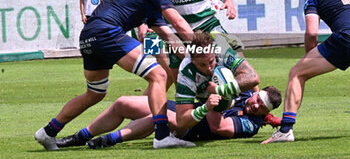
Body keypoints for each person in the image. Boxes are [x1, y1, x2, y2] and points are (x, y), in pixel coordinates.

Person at [34, 0, 195, 151]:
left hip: (88, 37)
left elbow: (169, 36)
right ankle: (161, 136)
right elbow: (178, 22)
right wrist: (201, 48)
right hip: (107, 33)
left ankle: (48, 132)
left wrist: (191, 57)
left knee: (94, 94)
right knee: (159, 75)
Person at [55, 32, 282, 148]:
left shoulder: (250, 125)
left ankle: (110, 140)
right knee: (123, 103)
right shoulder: (200, 64)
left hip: (197, 125)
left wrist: (217, 98)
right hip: (192, 103)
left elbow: (218, 127)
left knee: (159, 117)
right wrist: (148, 42)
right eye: (257, 100)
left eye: (261, 108)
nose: (254, 105)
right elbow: (252, 77)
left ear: (263, 114)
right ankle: (79, 137)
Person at [262, 0, 350, 144]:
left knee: (297, 73)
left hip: (345, 38)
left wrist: (309, 54)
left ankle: (285, 130)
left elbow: (312, 33)